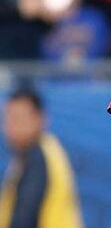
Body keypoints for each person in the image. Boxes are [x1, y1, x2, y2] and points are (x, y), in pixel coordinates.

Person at [0, 88, 83, 228]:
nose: (13, 127)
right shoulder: (41, 151)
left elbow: (24, 219)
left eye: (20, 119)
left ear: (41, 118)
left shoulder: (38, 158)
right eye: (8, 118)